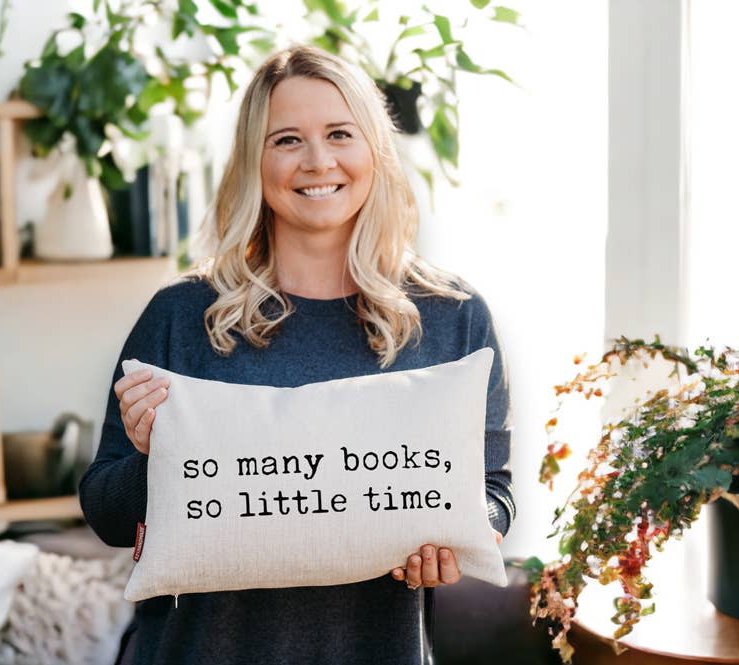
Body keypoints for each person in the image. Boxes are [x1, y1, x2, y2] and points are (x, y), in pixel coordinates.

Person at [79, 45, 514, 665]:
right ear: (254, 162)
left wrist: (471, 531)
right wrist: (153, 452)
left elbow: (493, 490)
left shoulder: (451, 317)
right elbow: (109, 514)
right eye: (287, 140)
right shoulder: (181, 316)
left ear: (374, 150)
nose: (318, 162)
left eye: (340, 134)